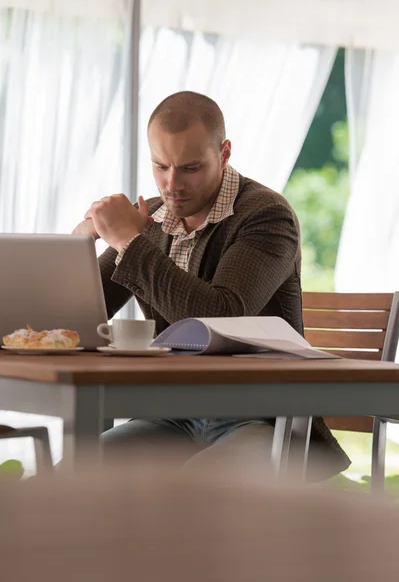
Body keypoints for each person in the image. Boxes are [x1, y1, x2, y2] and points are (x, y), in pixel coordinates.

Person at [73, 91, 350, 480]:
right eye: (160, 166)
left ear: (223, 153)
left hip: (259, 419)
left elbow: (221, 316)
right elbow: (79, 311)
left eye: (190, 167)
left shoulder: (267, 216)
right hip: (173, 416)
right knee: (68, 478)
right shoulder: (151, 219)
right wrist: (79, 244)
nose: (172, 185)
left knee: (190, 495)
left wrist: (130, 243)